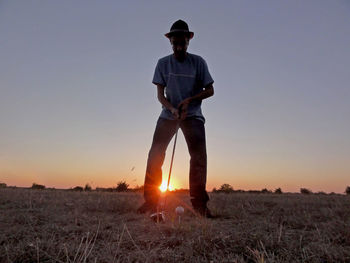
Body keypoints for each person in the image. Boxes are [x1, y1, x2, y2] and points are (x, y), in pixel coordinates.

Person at [137, 19, 215, 218]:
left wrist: (190, 100)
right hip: (168, 115)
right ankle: (151, 202)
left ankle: (199, 204)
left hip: (193, 115)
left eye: (183, 42)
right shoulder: (163, 63)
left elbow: (210, 90)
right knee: (155, 155)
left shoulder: (199, 62)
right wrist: (172, 108)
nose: (179, 46)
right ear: (170, 41)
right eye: (175, 43)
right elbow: (160, 96)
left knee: (198, 158)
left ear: (188, 41)